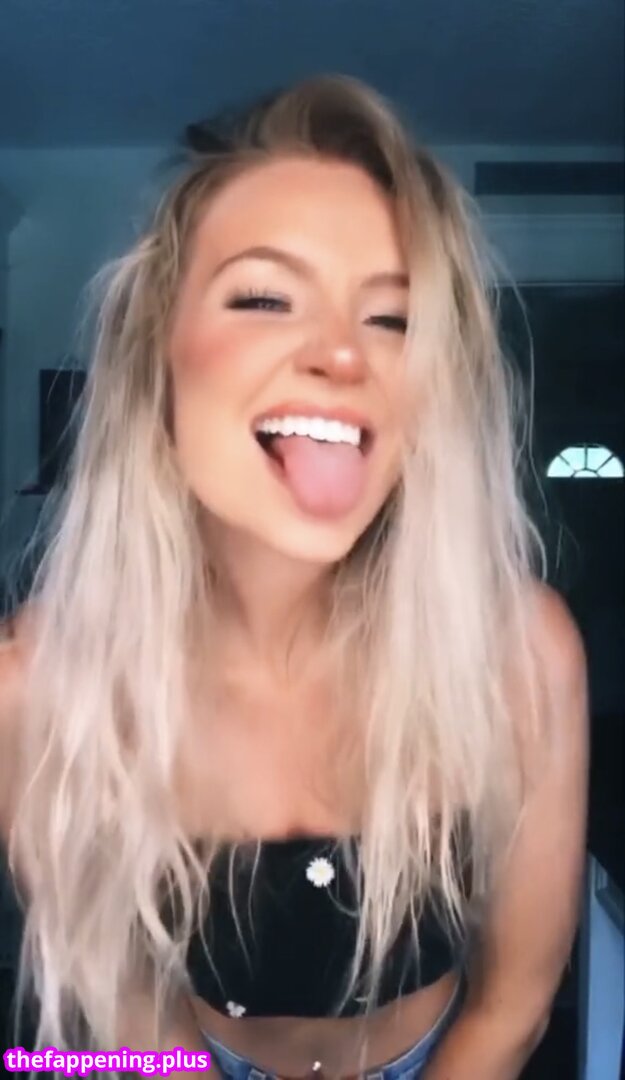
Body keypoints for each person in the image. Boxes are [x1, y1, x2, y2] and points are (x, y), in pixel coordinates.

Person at [0, 74, 589, 1080]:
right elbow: (132, 1007)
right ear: (157, 356)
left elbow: (513, 1007)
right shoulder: (35, 688)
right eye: (265, 298)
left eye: (393, 319)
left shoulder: (520, 652)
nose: (343, 357)